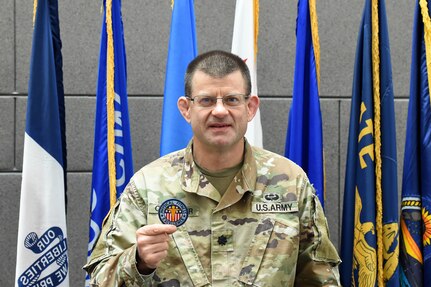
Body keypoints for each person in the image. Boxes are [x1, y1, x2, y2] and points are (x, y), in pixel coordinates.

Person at [84, 50, 341, 286]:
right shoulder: (149, 187)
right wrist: (138, 261)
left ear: (250, 107)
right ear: (186, 109)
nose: (219, 111)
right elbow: (98, 280)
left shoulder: (290, 183)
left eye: (231, 99)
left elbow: (321, 279)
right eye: (206, 100)